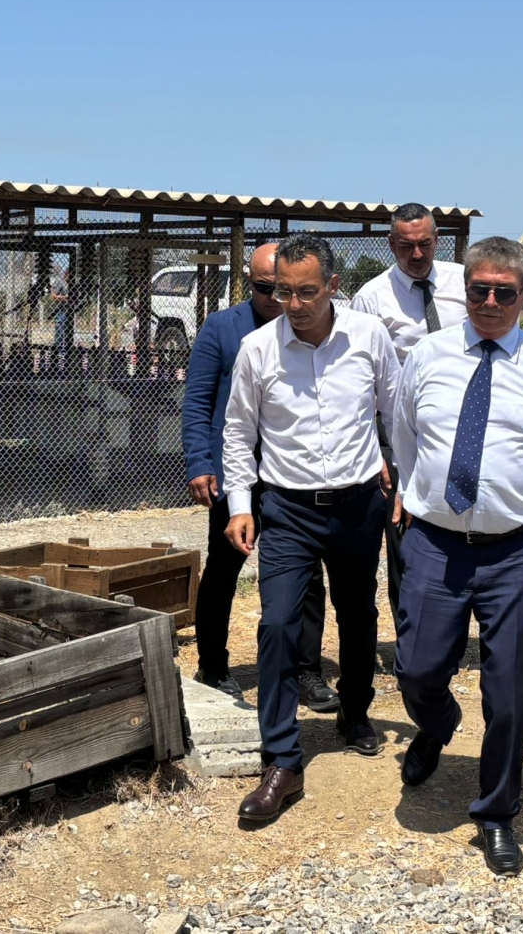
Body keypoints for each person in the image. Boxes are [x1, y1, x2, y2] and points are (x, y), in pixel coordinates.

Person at [391, 237, 523, 876]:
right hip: (435, 544)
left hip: (517, 550)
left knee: (510, 692)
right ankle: (437, 727)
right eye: (478, 290)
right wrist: (415, 494)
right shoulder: (428, 355)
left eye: (503, 293)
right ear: (466, 290)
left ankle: (495, 813)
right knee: (416, 672)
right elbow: (405, 434)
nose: (489, 302)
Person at [223, 234, 400, 821]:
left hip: (357, 505)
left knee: (358, 614)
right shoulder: (257, 349)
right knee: (277, 623)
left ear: (333, 287)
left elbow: (395, 411)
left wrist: (402, 480)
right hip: (288, 510)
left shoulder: (369, 337)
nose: (292, 304)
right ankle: (282, 760)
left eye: (305, 292)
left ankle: (355, 711)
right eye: (281, 292)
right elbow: (238, 431)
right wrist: (241, 505)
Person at [180, 243, 335, 710]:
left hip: (294, 473)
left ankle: (306, 671)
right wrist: (201, 463)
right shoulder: (222, 328)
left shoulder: (310, 329)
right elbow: (197, 401)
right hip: (237, 475)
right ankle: (213, 665)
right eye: (265, 288)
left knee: (307, 574)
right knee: (224, 571)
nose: (275, 298)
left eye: (282, 288)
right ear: (249, 283)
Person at [352, 202, 467, 621]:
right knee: (406, 535)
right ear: (390, 244)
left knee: (460, 532)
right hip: (404, 437)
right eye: (405, 246)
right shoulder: (371, 298)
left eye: (424, 244)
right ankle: (412, 632)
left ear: (437, 239)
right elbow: (360, 381)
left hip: (463, 429)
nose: (416, 254)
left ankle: (451, 627)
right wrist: (376, 450)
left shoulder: (463, 283)